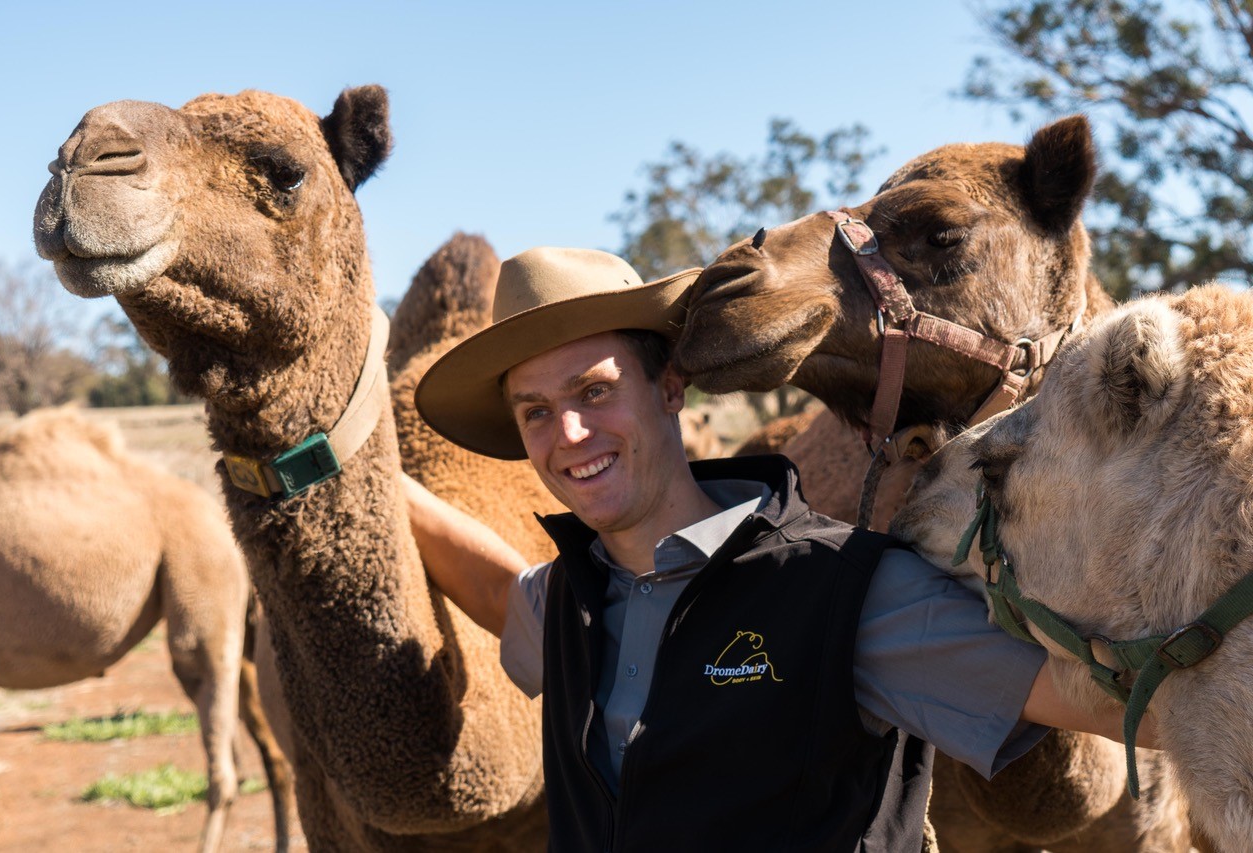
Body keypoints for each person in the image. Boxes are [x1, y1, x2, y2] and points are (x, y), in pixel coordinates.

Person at [408, 247, 1151, 852]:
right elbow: (503, 594)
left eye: (594, 391)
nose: (567, 434)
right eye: (537, 411)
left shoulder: (845, 592)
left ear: (670, 385)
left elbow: (1126, 706)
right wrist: (377, 479)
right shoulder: (567, 599)